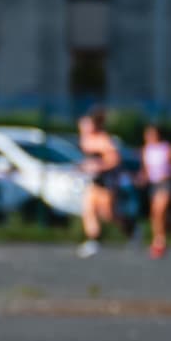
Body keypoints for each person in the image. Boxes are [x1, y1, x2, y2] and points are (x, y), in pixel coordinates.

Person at [72, 107, 120, 258]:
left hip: (106, 181)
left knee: (108, 214)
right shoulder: (86, 140)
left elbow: (114, 160)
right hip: (93, 182)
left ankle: (132, 229)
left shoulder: (103, 140)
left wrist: (100, 166)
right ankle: (93, 240)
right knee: (88, 209)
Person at [140, 118, 171, 257]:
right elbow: (146, 170)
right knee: (155, 215)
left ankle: (160, 241)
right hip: (154, 183)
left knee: (160, 210)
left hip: (165, 183)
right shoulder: (146, 149)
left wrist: (170, 174)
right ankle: (158, 240)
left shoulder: (166, 148)